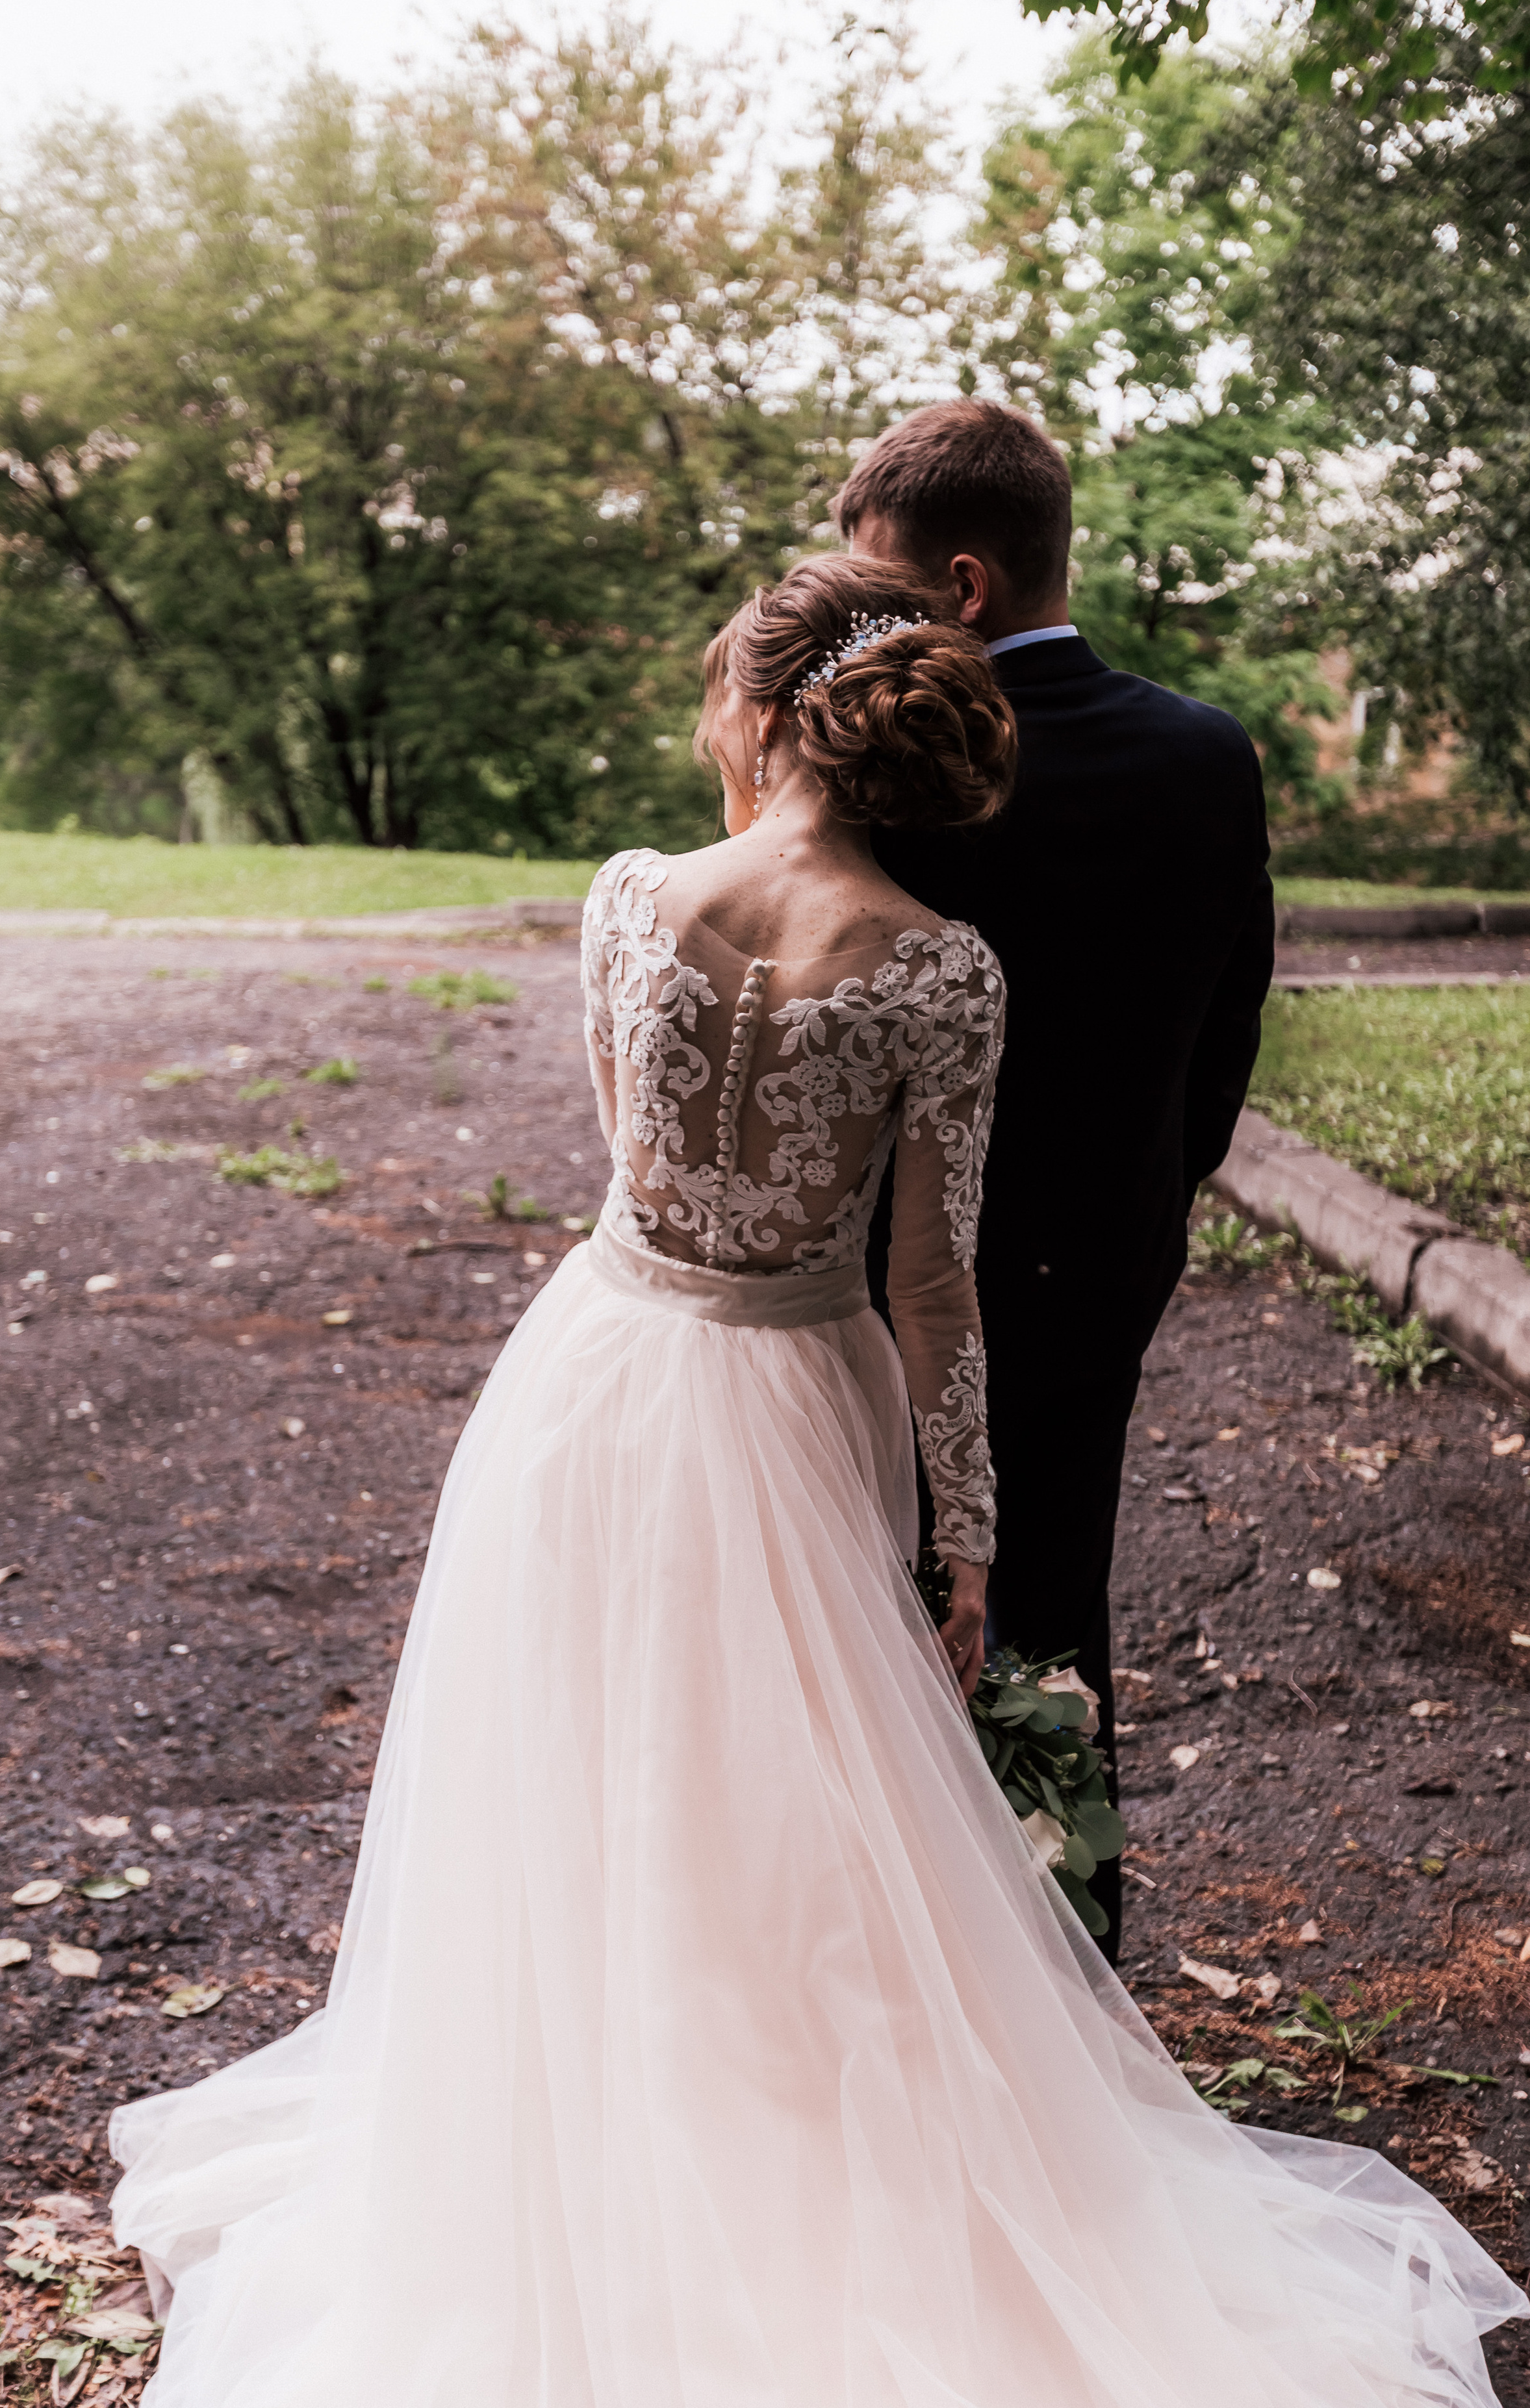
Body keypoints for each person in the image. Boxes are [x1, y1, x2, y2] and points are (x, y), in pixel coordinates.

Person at [109, 555, 1519, 2407]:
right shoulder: (940, 967)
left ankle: (597, 2119)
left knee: (592, 1752)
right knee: (792, 1786)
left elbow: (631, 1155)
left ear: (763, 712)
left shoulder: (630, 900)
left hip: (599, 1372)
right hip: (794, 1385)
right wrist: (968, 1539)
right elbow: (930, 1281)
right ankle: (772, 2119)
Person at [844, 400, 1276, 1962]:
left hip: (898, 1274)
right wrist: (1152, 1195)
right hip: (1103, 1256)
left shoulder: (901, 768)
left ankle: (888, 1952)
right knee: (1047, 1592)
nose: (867, 633)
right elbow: (1230, 1013)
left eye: (883, 593)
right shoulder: (1204, 754)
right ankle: (1060, 1955)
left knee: (874, 1597)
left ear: (962, 587)